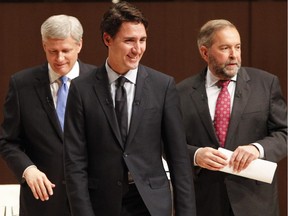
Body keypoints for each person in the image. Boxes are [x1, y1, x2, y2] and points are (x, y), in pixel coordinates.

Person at [63, 2, 196, 216]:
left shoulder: (163, 86)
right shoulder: (81, 89)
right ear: (108, 39)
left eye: (142, 40)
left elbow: (178, 158)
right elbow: (74, 162)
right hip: (102, 205)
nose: (138, 49)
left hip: (151, 204)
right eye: (129, 41)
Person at [177, 19, 287, 216]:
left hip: (254, 203)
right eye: (225, 48)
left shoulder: (266, 84)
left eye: (237, 47)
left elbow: (285, 132)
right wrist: (195, 155)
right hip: (205, 203)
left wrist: (257, 148)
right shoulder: (181, 93)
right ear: (205, 52)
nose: (234, 55)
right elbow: (167, 143)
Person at [0, 15, 96, 216]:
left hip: (92, 200)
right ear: (44, 45)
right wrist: (28, 170)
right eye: (53, 51)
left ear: (79, 45)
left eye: (66, 51)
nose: (59, 59)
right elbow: (8, 141)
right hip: (42, 203)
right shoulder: (21, 84)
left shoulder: (100, 82)